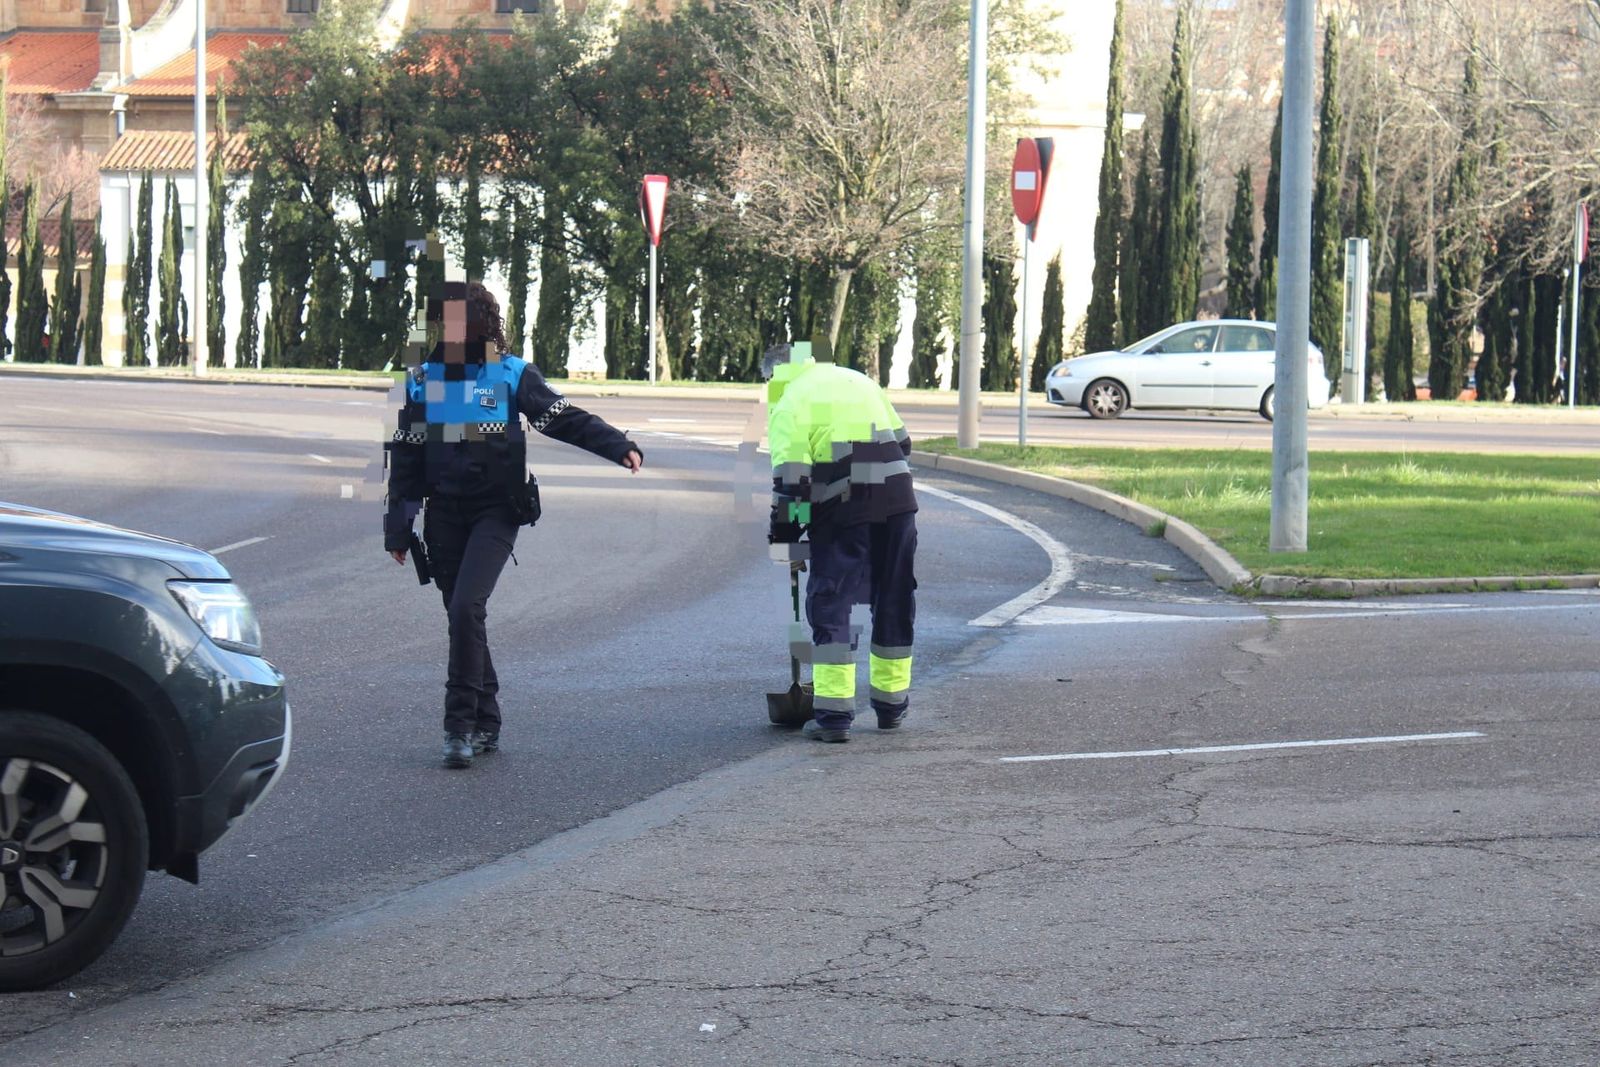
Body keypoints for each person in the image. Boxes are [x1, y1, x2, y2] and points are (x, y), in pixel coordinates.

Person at [384, 281, 644, 768]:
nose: (452, 328)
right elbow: (405, 455)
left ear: (483, 321)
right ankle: (487, 720)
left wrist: (617, 445)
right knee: (463, 617)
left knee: (465, 608)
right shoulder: (422, 379)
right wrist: (398, 527)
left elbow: (563, 419)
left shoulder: (511, 375)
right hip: (444, 513)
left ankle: (458, 727)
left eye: (462, 318)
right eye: (446, 319)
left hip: (496, 511)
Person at [764, 339, 917, 743]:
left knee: (833, 599)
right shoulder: (857, 379)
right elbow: (903, 443)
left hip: (843, 507)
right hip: (898, 499)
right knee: (894, 596)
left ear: (773, 377)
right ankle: (891, 708)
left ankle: (833, 717)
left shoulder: (788, 402)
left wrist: (786, 541)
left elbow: (791, 486)